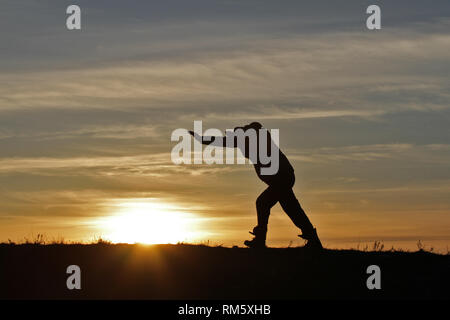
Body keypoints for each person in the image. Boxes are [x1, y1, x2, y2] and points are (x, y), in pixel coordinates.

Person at [189, 122, 322, 250]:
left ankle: (260, 239)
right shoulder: (243, 141)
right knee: (291, 209)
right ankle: (312, 239)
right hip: (281, 179)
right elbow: (219, 141)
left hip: (282, 178)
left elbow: (259, 130)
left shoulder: (258, 137)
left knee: (263, 203)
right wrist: (200, 138)